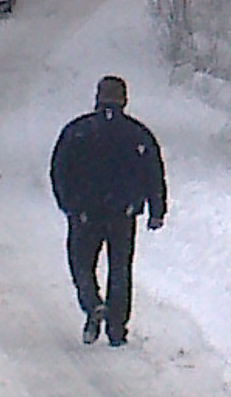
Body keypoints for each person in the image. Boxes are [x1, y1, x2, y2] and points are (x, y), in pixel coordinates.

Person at [50, 75, 167, 347]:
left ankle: (92, 304)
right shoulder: (137, 133)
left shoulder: (78, 131)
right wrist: (156, 209)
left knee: (81, 264)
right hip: (122, 212)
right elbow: (153, 172)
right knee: (120, 268)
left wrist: (69, 204)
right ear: (124, 99)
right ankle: (117, 329)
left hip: (85, 212)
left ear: (97, 97)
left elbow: (59, 170)